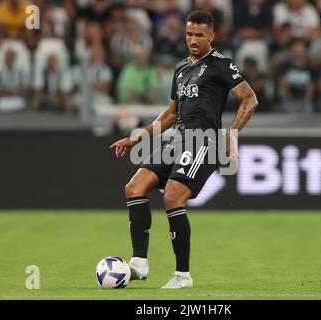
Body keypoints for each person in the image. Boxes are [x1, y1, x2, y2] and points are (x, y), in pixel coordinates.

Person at [109, 11, 258, 289]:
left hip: (204, 142)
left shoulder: (220, 65)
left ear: (211, 36)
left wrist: (233, 132)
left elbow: (249, 99)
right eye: (189, 34)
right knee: (134, 188)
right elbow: (169, 115)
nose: (193, 39)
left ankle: (182, 276)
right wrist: (136, 138)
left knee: (173, 197)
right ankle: (139, 263)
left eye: (199, 35)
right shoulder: (181, 69)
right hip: (176, 140)